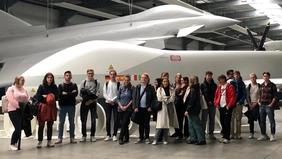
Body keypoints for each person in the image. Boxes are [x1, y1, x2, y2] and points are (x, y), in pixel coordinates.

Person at [6, 76, 30, 151]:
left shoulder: (24, 90)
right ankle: (12, 143)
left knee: (21, 127)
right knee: (18, 127)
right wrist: (19, 106)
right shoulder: (11, 89)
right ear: (17, 80)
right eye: (22, 80)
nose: (23, 82)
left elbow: (27, 98)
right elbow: (11, 100)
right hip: (13, 110)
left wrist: (26, 106)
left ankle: (15, 142)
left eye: (24, 81)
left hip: (21, 111)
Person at [153, 78, 178, 145]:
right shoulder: (159, 89)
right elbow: (159, 98)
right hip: (162, 108)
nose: (165, 83)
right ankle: (156, 139)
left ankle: (165, 139)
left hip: (169, 107)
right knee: (160, 124)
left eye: (166, 81)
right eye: (164, 81)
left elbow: (172, 99)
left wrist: (165, 98)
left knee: (166, 124)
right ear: (162, 82)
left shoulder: (172, 89)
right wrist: (167, 98)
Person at [55, 71, 78, 144]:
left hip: (71, 106)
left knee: (72, 122)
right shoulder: (60, 86)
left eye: (69, 75)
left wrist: (66, 94)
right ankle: (59, 138)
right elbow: (59, 95)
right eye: (66, 75)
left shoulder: (74, 85)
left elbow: (75, 94)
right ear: (64, 76)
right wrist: (70, 94)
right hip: (62, 106)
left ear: (71, 77)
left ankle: (72, 137)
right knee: (61, 122)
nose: (68, 76)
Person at [36, 72, 58, 148]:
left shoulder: (54, 87)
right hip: (43, 107)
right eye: (48, 77)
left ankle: (49, 140)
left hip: (51, 107)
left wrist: (48, 96)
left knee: (50, 125)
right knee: (41, 125)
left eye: (51, 78)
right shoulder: (41, 86)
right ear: (46, 78)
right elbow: (38, 96)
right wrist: (47, 99)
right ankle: (40, 141)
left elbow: (57, 96)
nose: (50, 79)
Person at [133, 73, 155, 144]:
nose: (143, 79)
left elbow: (153, 99)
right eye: (142, 77)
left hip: (147, 108)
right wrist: (135, 107)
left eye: (145, 77)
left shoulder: (151, 87)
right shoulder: (138, 87)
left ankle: (147, 137)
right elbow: (135, 97)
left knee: (146, 123)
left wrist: (151, 107)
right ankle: (140, 137)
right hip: (139, 108)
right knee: (140, 124)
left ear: (148, 79)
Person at [184, 76, 206, 145]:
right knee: (191, 124)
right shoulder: (197, 89)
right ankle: (193, 138)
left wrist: (187, 109)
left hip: (193, 109)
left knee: (196, 124)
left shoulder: (193, 89)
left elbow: (192, 101)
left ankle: (201, 139)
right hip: (195, 109)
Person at [214, 74, 236, 144]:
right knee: (222, 121)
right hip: (221, 106)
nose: (219, 81)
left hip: (227, 106)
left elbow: (232, 97)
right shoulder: (219, 87)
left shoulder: (230, 86)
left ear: (223, 79)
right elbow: (216, 96)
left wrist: (229, 105)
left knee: (227, 122)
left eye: (220, 79)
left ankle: (227, 137)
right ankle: (224, 136)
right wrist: (216, 104)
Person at [79, 69, 100, 142]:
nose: (90, 75)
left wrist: (91, 101)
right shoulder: (83, 82)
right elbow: (80, 93)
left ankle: (92, 135)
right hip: (85, 103)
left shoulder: (97, 82)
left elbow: (97, 93)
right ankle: (84, 135)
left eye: (91, 73)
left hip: (93, 103)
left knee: (93, 120)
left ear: (93, 74)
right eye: (89, 73)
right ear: (87, 74)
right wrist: (86, 101)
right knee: (83, 120)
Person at [257, 72, 277, 142]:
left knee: (271, 120)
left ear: (269, 77)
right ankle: (263, 135)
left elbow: (275, 96)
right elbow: (259, 94)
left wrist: (271, 104)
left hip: (269, 105)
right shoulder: (261, 85)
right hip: (262, 105)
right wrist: (258, 101)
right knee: (262, 121)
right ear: (263, 77)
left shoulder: (272, 85)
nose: (265, 77)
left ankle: (272, 135)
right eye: (264, 76)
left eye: (267, 76)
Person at [117, 74, 135, 145]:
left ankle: (121, 137)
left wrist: (126, 107)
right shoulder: (121, 88)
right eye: (125, 80)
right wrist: (121, 106)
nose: (126, 81)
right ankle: (127, 137)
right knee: (124, 123)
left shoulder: (132, 88)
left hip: (128, 109)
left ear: (129, 80)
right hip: (120, 108)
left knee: (124, 123)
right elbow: (118, 98)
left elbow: (133, 99)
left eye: (127, 80)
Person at [103, 70, 120, 142]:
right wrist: (109, 100)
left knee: (116, 119)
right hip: (107, 103)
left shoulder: (118, 84)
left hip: (115, 103)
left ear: (116, 75)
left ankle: (115, 135)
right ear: (109, 75)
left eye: (114, 74)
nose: (112, 76)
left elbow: (118, 94)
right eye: (111, 74)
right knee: (108, 119)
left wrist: (113, 100)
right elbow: (104, 94)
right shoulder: (106, 84)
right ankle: (108, 134)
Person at [200, 71, 217, 139]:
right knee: (204, 120)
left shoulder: (214, 85)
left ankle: (211, 133)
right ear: (205, 76)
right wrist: (207, 101)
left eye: (210, 75)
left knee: (212, 119)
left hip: (213, 105)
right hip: (205, 105)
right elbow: (202, 95)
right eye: (208, 75)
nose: (209, 77)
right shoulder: (202, 85)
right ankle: (202, 133)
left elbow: (216, 94)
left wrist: (213, 102)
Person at [230, 70, 246, 139]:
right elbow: (229, 93)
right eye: (235, 75)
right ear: (234, 75)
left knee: (238, 119)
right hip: (232, 103)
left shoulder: (242, 83)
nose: (236, 76)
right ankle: (231, 133)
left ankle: (238, 133)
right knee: (231, 119)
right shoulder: (231, 83)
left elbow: (244, 94)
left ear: (239, 75)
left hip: (239, 103)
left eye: (237, 75)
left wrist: (240, 101)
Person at [246, 73, 260, 139]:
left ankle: (263, 133)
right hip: (250, 105)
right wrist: (250, 104)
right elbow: (247, 96)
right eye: (251, 78)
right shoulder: (248, 86)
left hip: (257, 104)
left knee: (260, 118)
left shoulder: (259, 86)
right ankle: (251, 133)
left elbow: (260, 96)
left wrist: (256, 103)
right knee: (250, 119)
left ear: (256, 78)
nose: (253, 79)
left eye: (254, 77)